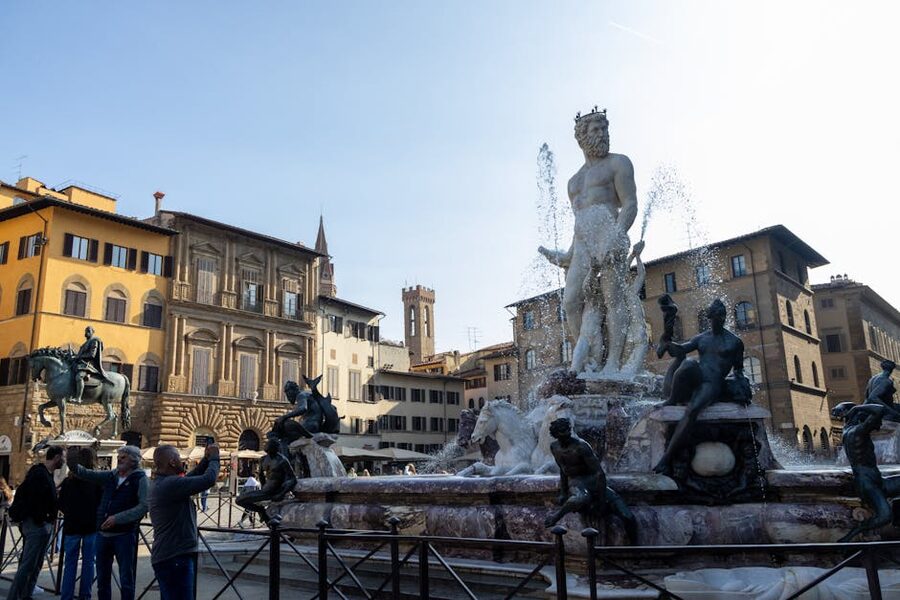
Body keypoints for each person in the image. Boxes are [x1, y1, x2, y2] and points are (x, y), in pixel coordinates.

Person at [538, 108, 638, 376]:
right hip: (583, 246)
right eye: (596, 130)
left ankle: (613, 362)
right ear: (582, 137)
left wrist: (616, 236)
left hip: (611, 236)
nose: (603, 134)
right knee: (570, 301)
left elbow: (629, 204)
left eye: (605, 128)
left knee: (612, 299)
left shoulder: (619, 163)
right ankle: (593, 356)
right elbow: (578, 223)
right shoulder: (574, 182)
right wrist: (568, 255)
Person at [653, 299, 748, 475]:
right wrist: (667, 339)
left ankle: (666, 459)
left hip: (713, 383)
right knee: (688, 363)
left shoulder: (734, 342)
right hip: (698, 376)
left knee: (692, 410)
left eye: (722, 315)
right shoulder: (702, 338)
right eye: (715, 315)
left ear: (725, 317)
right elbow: (680, 351)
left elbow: (739, 370)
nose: (718, 319)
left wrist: (741, 387)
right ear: (709, 317)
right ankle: (672, 399)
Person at [69, 446, 148, 600]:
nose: (119, 459)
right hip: (103, 535)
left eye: (123, 457)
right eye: (119, 456)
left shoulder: (140, 479)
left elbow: (144, 506)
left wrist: (117, 518)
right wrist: (72, 458)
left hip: (124, 535)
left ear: (133, 460)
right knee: (102, 578)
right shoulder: (112, 475)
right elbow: (85, 473)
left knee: (126, 578)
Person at [543, 419, 636, 542]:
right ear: (555, 434)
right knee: (581, 497)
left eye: (568, 430)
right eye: (562, 432)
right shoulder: (554, 447)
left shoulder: (581, 446)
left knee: (628, 516)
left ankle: (635, 551)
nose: (567, 434)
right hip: (576, 482)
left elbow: (599, 474)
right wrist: (563, 493)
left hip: (593, 482)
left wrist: (602, 501)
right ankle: (555, 517)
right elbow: (563, 470)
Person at [149, 444, 220, 599]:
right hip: (175, 557)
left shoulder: (164, 482)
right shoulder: (170, 484)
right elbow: (208, 480)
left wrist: (205, 461)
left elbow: (190, 477)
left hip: (169, 556)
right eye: (179, 458)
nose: (183, 461)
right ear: (172, 462)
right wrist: (215, 457)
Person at [832, 402, 900, 542]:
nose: (878, 424)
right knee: (885, 516)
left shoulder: (849, 430)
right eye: (874, 421)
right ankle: (853, 534)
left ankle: (897, 518)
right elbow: (880, 409)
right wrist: (858, 408)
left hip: (875, 480)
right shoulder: (857, 432)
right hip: (867, 484)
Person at [6, 445, 64, 600]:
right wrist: (41, 519)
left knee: (35, 564)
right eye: (62, 457)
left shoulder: (44, 474)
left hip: (40, 524)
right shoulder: (40, 475)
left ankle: (26, 595)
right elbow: (34, 499)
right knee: (28, 565)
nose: (64, 461)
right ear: (57, 457)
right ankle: (15, 596)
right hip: (37, 525)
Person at [58, 447, 103, 600]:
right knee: (89, 563)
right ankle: (85, 596)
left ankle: (66, 596)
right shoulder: (97, 481)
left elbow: (61, 504)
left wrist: (71, 513)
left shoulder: (68, 482)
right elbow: (101, 504)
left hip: (72, 526)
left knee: (69, 564)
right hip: (91, 526)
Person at [235, 439, 296, 525]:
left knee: (241, 500)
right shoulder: (263, 459)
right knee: (239, 500)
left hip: (276, 491)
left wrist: (281, 493)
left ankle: (270, 525)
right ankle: (263, 512)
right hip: (265, 490)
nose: (267, 449)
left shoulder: (282, 460)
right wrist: (263, 486)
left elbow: (293, 479)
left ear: (275, 448)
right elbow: (260, 475)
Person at [72, 326, 108, 403]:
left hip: (88, 365)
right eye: (86, 331)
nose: (86, 332)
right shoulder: (86, 343)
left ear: (92, 332)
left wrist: (79, 356)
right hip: (82, 363)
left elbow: (92, 355)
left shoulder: (94, 341)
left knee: (79, 377)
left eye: (88, 331)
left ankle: (78, 397)